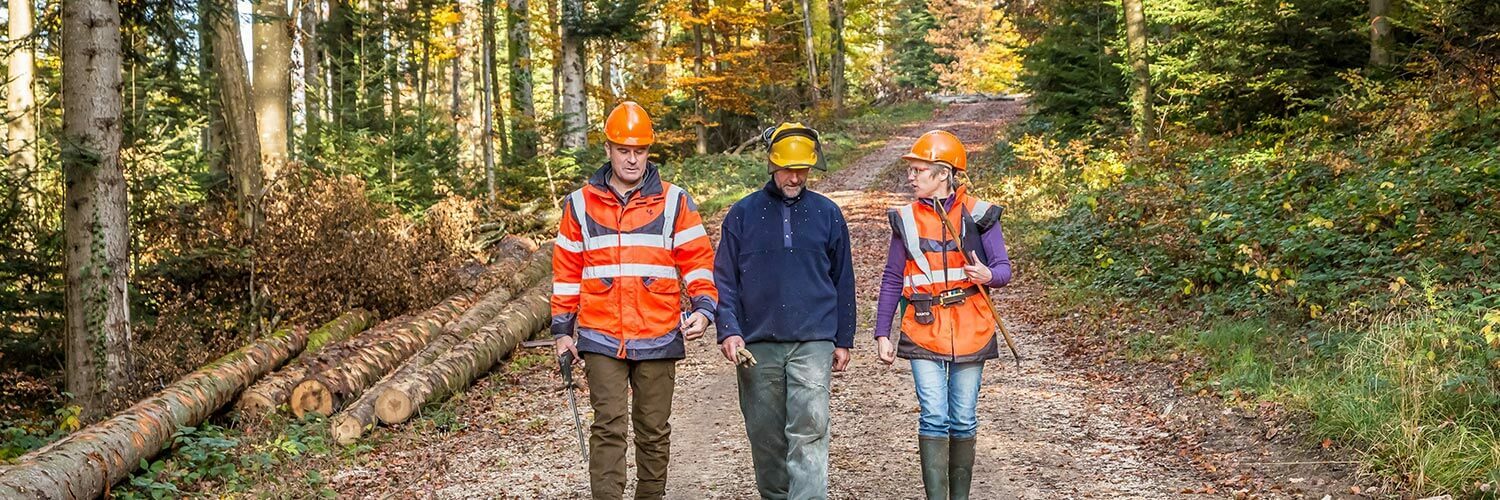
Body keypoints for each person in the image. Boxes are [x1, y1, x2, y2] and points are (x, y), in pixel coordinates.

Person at [550, 101, 718, 500]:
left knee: (653, 428)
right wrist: (562, 329)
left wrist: (704, 308)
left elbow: (696, 259)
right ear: (607, 149)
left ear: (648, 152)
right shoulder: (579, 204)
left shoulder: (675, 201)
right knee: (607, 424)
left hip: (658, 331)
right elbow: (567, 272)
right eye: (623, 150)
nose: (631, 158)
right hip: (600, 333)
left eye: (639, 150)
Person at [713, 122, 856, 500]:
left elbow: (843, 280)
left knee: (809, 430)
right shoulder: (742, 215)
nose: (794, 177)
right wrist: (728, 329)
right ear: (771, 164)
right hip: (757, 343)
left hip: (814, 339)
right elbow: (724, 279)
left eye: (802, 169)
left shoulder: (828, 214)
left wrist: (844, 339)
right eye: (787, 168)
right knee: (766, 435)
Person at [873, 130, 1012, 500]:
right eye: (912, 170)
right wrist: (882, 332)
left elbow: (1003, 270)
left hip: (973, 326)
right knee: (934, 415)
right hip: (923, 328)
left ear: (943, 174)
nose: (911, 176)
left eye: (919, 170)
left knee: (963, 418)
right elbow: (891, 277)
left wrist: (988, 276)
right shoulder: (905, 218)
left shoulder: (980, 214)